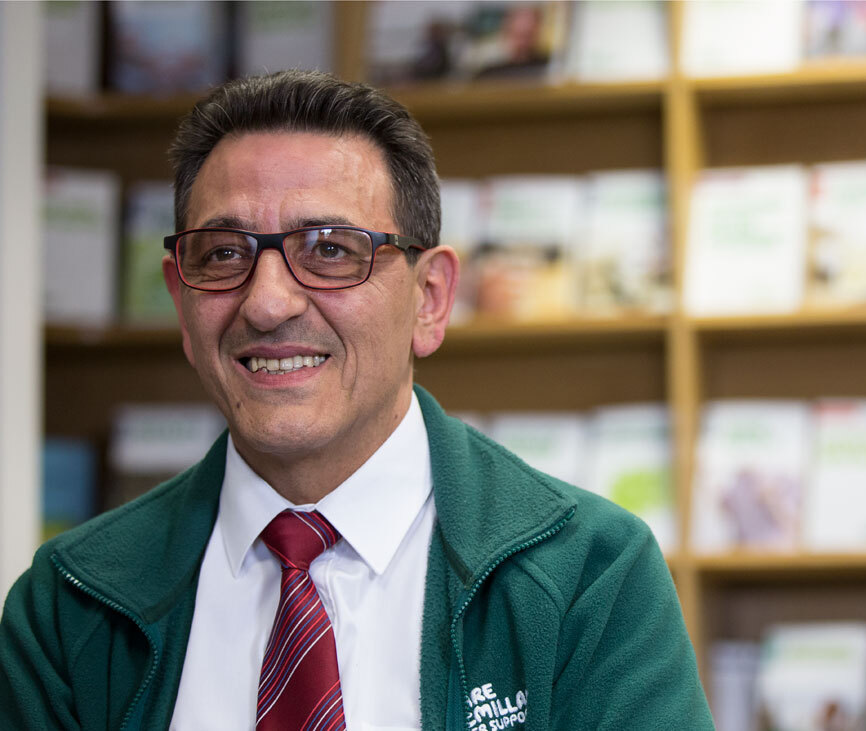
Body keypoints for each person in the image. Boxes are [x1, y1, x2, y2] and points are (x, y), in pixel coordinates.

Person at [0, 70, 712, 730]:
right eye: (222, 253)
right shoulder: (68, 605)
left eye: (331, 249)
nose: (269, 302)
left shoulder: (589, 575)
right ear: (181, 299)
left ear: (430, 300)